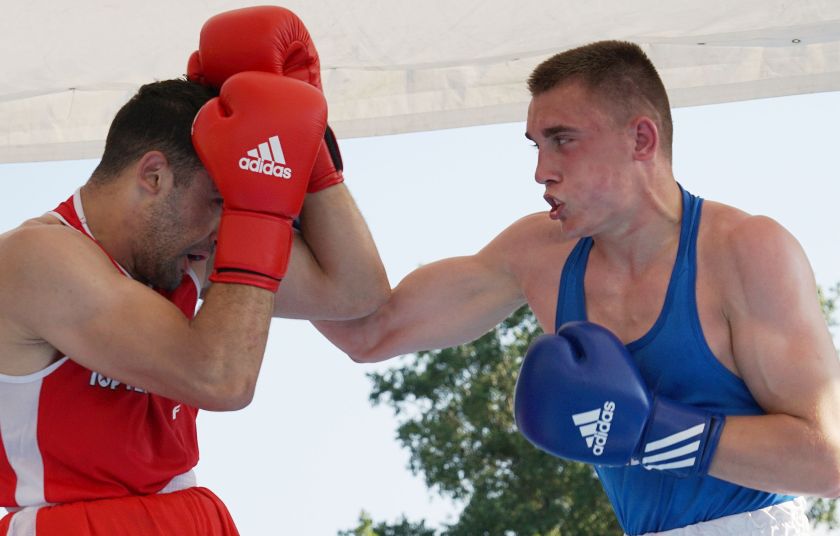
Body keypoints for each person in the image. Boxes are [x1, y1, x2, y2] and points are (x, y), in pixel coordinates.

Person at [316, 40, 840, 535]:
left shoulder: (744, 251)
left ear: (641, 139)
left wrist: (652, 431)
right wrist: (302, 183)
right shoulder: (538, 254)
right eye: (536, 146)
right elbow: (370, 331)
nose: (541, 171)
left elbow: (827, 461)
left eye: (562, 140)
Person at [0, 16, 388, 536]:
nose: (224, 227)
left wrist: (308, 148)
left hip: (188, 513)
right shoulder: (36, 259)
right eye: (219, 200)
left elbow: (357, 293)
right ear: (154, 176)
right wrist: (259, 209)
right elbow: (220, 379)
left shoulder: (183, 253)